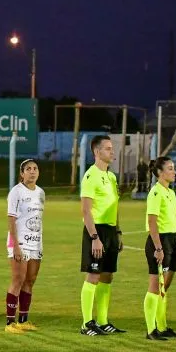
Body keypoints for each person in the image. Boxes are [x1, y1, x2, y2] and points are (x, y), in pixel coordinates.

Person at [79, 135, 125, 336]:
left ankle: (103, 320)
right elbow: (86, 211)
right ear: (97, 152)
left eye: (111, 148)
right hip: (95, 230)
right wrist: (95, 238)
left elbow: (115, 208)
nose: (112, 151)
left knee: (107, 276)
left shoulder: (112, 177)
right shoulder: (90, 176)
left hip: (110, 231)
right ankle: (86, 323)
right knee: (93, 275)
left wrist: (118, 232)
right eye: (107, 148)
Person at [143, 156, 176, 340]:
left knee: (163, 287)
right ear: (160, 173)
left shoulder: (171, 193)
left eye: (173, 168)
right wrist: (158, 248)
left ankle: (162, 326)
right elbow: (152, 222)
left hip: (172, 239)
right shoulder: (155, 192)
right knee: (155, 286)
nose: (174, 171)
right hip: (159, 241)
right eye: (170, 168)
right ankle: (151, 330)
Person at [5, 159, 45, 334]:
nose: (32, 171)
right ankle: (9, 323)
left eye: (35, 168)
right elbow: (11, 219)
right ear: (22, 174)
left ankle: (23, 319)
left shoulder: (41, 193)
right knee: (17, 280)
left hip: (36, 242)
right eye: (28, 169)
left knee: (30, 280)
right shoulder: (16, 192)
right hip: (20, 243)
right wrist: (15, 246)